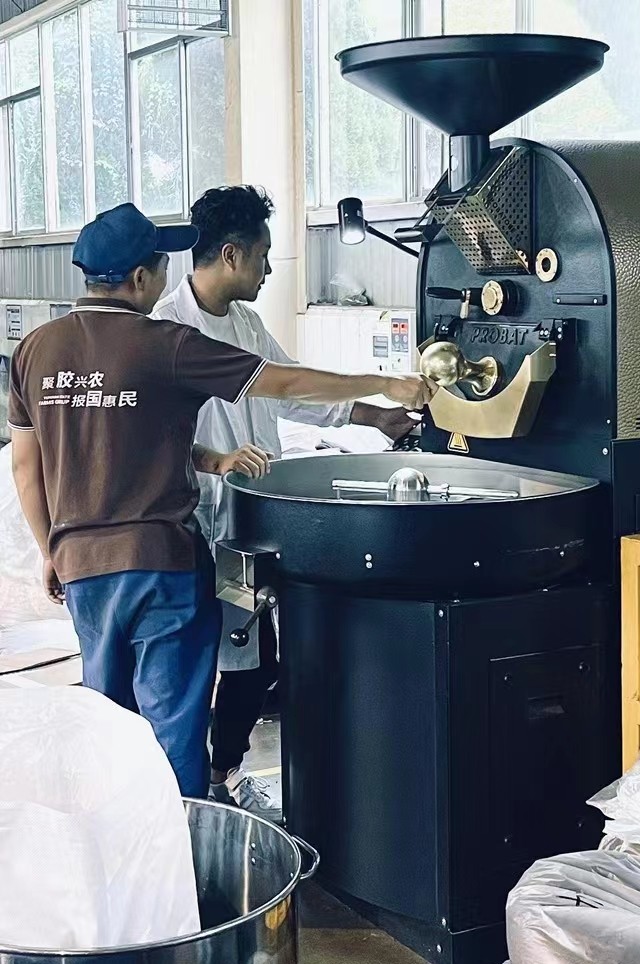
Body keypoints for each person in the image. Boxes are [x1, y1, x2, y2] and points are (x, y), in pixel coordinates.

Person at [7, 202, 433, 799]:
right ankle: (186, 842)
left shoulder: (34, 351)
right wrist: (385, 383)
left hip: (84, 567)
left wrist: (51, 547)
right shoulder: (165, 341)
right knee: (175, 723)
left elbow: (29, 465)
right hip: (161, 563)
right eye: (161, 264)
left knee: (111, 720)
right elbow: (285, 382)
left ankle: (126, 831)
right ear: (140, 278)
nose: (168, 274)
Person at [153, 185, 416, 819]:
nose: (270, 269)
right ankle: (179, 795)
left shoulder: (245, 324)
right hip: (192, 523)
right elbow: (156, 435)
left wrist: (374, 416)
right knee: (190, 668)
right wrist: (384, 386)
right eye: (263, 255)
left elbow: (292, 389)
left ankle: (222, 772)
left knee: (249, 661)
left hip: (249, 518)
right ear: (231, 254)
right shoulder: (167, 328)